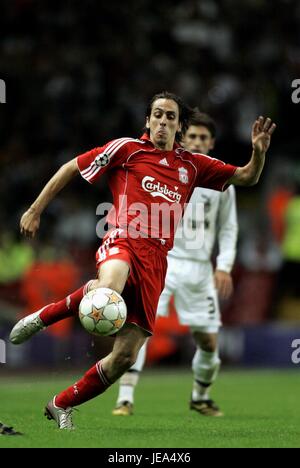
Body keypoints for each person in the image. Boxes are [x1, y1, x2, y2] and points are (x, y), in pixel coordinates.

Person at [10, 91, 276, 429]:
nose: (163, 122)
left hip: (157, 261)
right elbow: (71, 167)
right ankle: (44, 317)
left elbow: (248, 176)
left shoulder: (192, 164)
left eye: (170, 117)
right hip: (123, 240)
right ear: (147, 121)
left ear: (179, 127)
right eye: (157, 115)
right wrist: (35, 210)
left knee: (125, 357)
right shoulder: (127, 149)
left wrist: (258, 152)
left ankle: (61, 404)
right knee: (108, 289)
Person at [112, 111, 238, 417]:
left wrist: (224, 265)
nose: (197, 142)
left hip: (198, 270)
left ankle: (200, 397)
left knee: (207, 340)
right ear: (183, 138)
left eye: (203, 138)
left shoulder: (221, 182)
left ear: (212, 143)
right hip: (161, 261)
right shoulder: (164, 170)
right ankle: (125, 399)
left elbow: (228, 228)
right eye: (192, 136)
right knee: (137, 330)